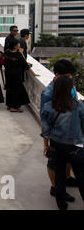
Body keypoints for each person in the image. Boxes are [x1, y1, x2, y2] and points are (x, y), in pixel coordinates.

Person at [40, 76, 84, 210]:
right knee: (81, 177)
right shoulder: (79, 106)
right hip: (75, 146)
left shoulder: (49, 106)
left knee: (59, 176)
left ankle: (61, 204)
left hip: (56, 145)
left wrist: (46, 146)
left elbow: (45, 130)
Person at [4, 38, 39, 112]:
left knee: (10, 90)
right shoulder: (18, 54)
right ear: (15, 46)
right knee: (16, 91)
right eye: (18, 44)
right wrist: (34, 74)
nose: (19, 45)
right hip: (16, 75)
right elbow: (25, 65)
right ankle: (14, 107)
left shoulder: (7, 52)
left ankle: (9, 105)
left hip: (8, 74)